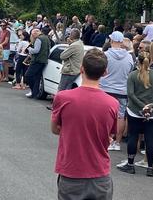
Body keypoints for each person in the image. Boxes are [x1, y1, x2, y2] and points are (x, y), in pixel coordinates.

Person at [51, 49, 119, 200]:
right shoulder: (112, 104)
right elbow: (111, 135)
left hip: (71, 171)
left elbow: (55, 129)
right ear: (105, 72)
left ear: (82, 69)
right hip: (100, 174)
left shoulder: (63, 98)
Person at [116, 52, 153, 177]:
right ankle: (150, 167)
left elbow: (131, 94)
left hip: (134, 111)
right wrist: (151, 105)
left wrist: (142, 105)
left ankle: (130, 164)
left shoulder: (133, 75)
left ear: (138, 61)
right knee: (150, 138)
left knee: (133, 136)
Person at [99, 31, 134, 151]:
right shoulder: (129, 57)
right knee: (120, 116)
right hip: (122, 90)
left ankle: (104, 138)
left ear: (111, 40)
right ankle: (117, 142)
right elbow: (130, 72)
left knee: (104, 115)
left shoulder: (105, 55)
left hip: (105, 88)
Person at [25, 28, 50, 99]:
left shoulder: (38, 39)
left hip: (36, 60)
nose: (32, 36)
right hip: (43, 61)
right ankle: (35, 94)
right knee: (37, 78)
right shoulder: (47, 38)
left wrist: (29, 49)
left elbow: (36, 51)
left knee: (28, 75)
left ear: (36, 33)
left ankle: (33, 91)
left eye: (32, 34)